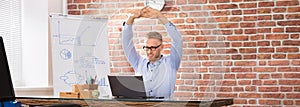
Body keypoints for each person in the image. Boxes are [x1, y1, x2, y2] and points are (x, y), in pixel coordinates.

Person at [122, 7, 183, 99]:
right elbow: (127, 43)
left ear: (162, 47)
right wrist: (131, 19)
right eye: (147, 48)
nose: (149, 51)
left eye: (153, 48)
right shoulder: (139, 63)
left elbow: (177, 40)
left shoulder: (172, 62)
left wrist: (160, 16)